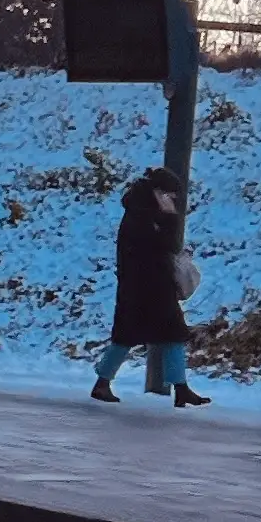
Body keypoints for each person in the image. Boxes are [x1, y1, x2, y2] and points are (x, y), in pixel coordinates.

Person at [90, 170, 211, 407]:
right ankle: (104, 383)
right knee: (155, 336)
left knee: (160, 335)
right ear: (158, 192)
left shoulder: (139, 211)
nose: (172, 200)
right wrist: (170, 218)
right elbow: (165, 245)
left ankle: (179, 387)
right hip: (145, 288)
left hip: (144, 288)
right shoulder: (142, 216)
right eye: (170, 195)